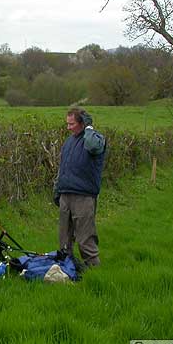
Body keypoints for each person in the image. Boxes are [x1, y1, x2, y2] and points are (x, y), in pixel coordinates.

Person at [53, 107, 106, 267]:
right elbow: (63, 168)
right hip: (65, 195)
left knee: (85, 239)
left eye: (72, 124)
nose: (68, 128)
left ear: (83, 122)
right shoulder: (69, 141)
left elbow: (92, 147)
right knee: (64, 239)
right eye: (67, 124)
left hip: (83, 197)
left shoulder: (95, 139)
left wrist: (89, 128)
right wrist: (58, 190)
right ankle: (67, 269)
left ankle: (94, 271)